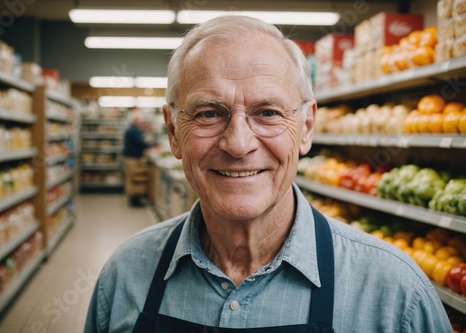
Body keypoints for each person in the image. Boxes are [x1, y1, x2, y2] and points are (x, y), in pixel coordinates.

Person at [85, 15, 453, 332]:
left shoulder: (396, 294)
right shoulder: (123, 277)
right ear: (172, 132)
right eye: (209, 113)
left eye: (268, 112)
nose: (238, 144)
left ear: (306, 126)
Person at [123, 112, 151, 207]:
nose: (142, 123)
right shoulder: (133, 131)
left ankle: (134, 199)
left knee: (132, 178)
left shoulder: (133, 129)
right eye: (141, 121)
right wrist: (151, 145)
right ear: (136, 121)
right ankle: (134, 200)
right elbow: (141, 143)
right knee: (134, 179)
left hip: (132, 157)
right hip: (132, 158)